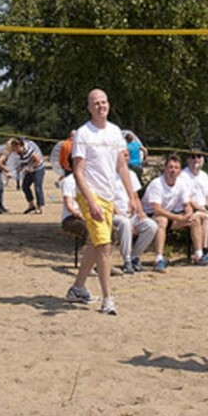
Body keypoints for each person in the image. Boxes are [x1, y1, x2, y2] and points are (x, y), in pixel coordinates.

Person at [66, 88, 135, 315]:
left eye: (104, 102)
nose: (101, 106)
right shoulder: (83, 134)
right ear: (89, 107)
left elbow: (122, 166)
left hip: (108, 195)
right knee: (105, 245)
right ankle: (108, 300)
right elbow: (78, 171)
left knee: (96, 245)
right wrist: (91, 202)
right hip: (89, 195)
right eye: (96, 103)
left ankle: (77, 288)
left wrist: (132, 196)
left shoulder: (115, 132)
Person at [141, 154, 208, 271]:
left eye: (176, 168)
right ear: (165, 168)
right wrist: (179, 218)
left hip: (170, 214)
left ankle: (199, 255)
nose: (173, 170)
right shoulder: (157, 184)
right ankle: (158, 258)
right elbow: (157, 209)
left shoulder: (181, 183)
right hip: (149, 216)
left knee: (194, 219)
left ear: (179, 170)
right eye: (170, 167)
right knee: (162, 221)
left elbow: (186, 204)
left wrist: (188, 214)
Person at [112, 153, 158, 274]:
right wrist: (118, 212)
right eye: (122, 155)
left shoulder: (131, 175)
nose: (125, 158)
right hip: (114, 214)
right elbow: (107, 199)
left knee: (151, 225)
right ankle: (126, 259)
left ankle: (135, 256)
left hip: (131, 213)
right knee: (125, 223)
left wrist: (141, 212)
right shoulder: (109, 174)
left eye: (127, 155)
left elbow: (136, 196)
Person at [8, 137, 46, 214]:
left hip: (38, 169)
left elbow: (37, 161)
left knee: (37, 187)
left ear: (19, 146)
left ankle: (40, 207)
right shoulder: (18, 153)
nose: (14, 150)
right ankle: (31, 205)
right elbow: (22, 162)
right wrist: (18, 169)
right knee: (25, 186)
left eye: (15, 148)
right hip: (29, 169)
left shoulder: (29, 150)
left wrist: (31, 168)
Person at [59, 172, 88, 241]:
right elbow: (69, 206)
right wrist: (80, 215)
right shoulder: (69, 180)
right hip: (71, 217)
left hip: (88, 214)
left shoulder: (92, 179)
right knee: (89, 228)